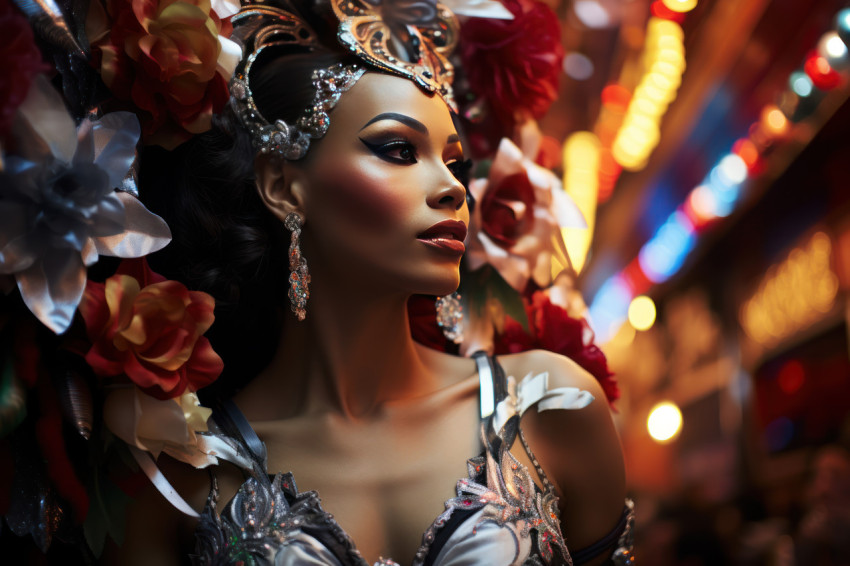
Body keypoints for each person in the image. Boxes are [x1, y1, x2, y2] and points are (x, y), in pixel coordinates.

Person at [1, 1, 630, 564]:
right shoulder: (181, 479)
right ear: (282, 185)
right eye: (398, 150)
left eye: (455, 160)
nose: (453, 189)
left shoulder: (552, 409)